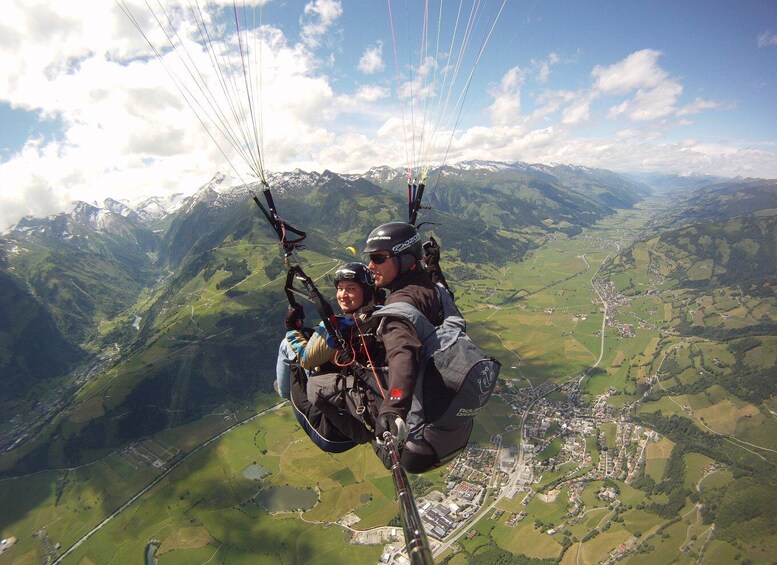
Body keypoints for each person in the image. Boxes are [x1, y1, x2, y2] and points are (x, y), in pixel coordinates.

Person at [363, 222, 445, 472]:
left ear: (405, 259)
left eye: (378, 258)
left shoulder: (402, 303)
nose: (370, 266)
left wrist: (393, 406)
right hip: (434, 389)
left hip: (411, 397)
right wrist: (432, 265)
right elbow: (439, 286)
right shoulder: (427, 287)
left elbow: (402, 353)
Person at [281, 262, 387, 452]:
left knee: (286, 347)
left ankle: (282, 390)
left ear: (365, 291)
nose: (343, 295)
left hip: (328, 432)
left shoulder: (337, 326)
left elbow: (306, 359)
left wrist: (292, 329)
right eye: (340, 289)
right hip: (359, 414)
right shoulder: (380, 315)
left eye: (351, 289)